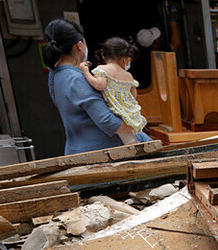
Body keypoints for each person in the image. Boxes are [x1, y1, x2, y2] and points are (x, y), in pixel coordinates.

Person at [44, 18, 148, 155]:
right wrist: (136, 122)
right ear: (79, 46)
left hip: (76, 149)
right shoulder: (77, 79)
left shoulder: (54, 74)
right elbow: (109, 123)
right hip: (101, 155)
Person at [79, 37, 146, 144]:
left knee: (127, 139)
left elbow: (99, 85)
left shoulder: (102, 69)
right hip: (129, 111)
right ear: (125, 57)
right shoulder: (128, 75)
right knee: (131, 137)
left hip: (115, 110)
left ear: (103, 54)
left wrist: (85, 72)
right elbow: (133, 94)